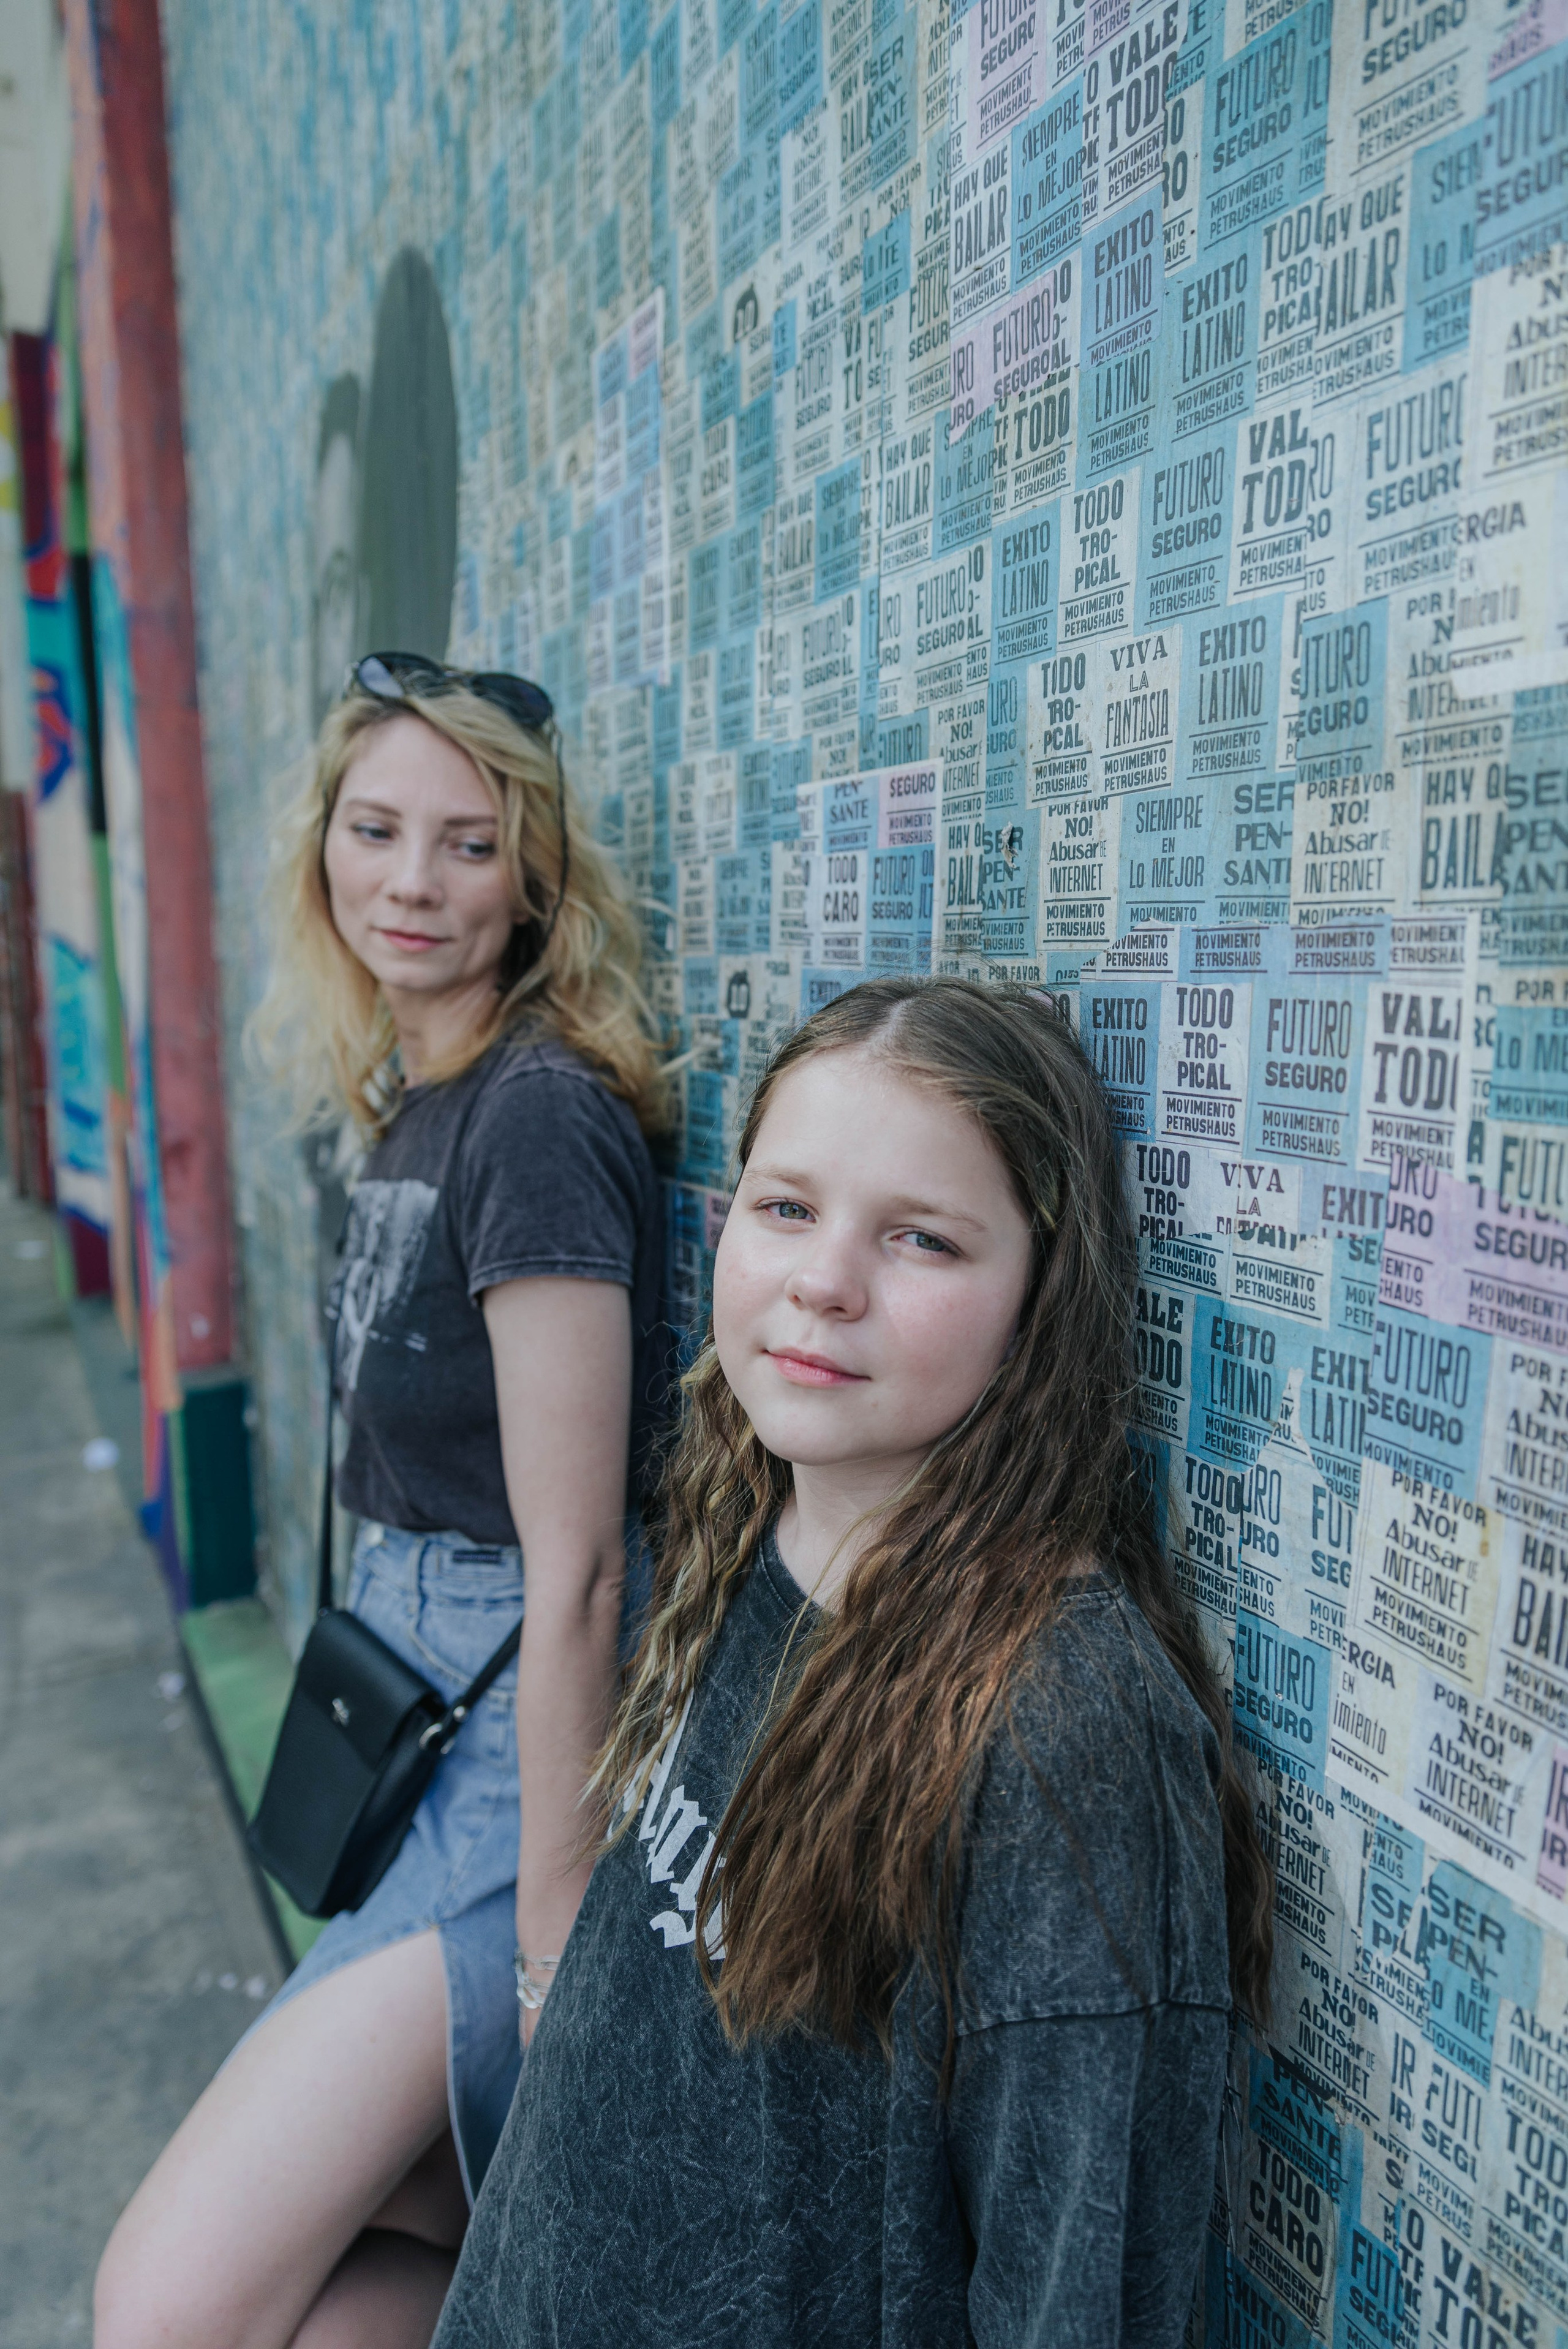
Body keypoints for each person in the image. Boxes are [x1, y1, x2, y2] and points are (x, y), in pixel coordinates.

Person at [434, 976, 1274, 2349]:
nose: (823, 1280)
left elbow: (1073, 2294)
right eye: (785, 1207)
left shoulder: (1061, 1724)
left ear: (1040, 1298)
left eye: (923, 1240)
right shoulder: (745, 1519)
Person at [95, 653, 669, 2349]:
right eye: (376, 830)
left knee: (168, 2303)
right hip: (417, 1731)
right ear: (323, 847)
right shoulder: (415, 1097)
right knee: (343, 2305)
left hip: (508, 1769)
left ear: (536, 875)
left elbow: (576, 1566)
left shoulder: (538, 1114)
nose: (411, 882)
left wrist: (557, 1936)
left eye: (469, 844)